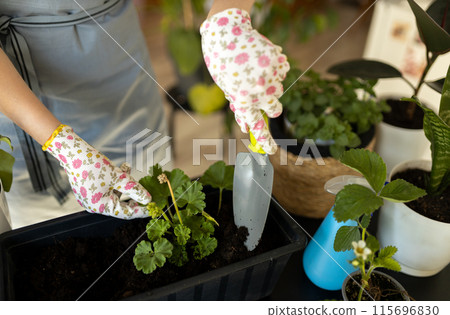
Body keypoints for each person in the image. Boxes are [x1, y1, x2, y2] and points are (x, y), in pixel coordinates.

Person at [0, 0, 289, 229]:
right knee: (49, 231)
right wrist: (61, 144)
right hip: (20, 101)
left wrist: (228, 17)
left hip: (119, 55)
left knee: (153, 187)